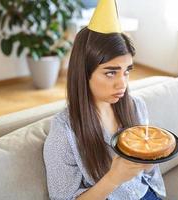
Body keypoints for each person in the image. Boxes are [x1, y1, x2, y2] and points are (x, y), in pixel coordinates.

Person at [43, 1, 166, 199]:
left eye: (127, 71)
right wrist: (113, 179)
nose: (122, 84)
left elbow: (149, 174)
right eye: (111, 73)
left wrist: (149, 163)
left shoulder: (137, 107)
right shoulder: (64, 132)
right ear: (84, 73)